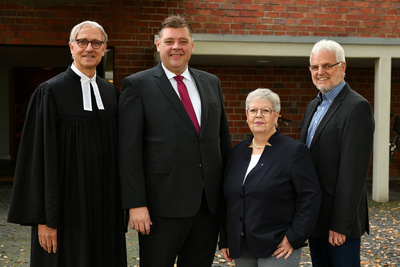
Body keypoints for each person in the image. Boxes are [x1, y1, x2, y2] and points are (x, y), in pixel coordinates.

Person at [7, 21, 127, 267]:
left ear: (104, 49)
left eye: (96, 43)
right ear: (71, 47)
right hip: (64, 213)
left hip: (105, 211)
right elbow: (37, 160)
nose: (89, 48)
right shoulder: (50, 92)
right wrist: (44, 219)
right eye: (82, 42)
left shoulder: (112, 94)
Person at [118, 15, 232, 267]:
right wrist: (136, 204)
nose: (176, 47)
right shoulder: (137, 85)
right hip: (161, 208)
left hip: (207, 207)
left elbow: (221, 143)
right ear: (158, 44)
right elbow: (129, 151)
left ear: (192, 45)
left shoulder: (212, 83)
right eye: (169, 41)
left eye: (183, 41)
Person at [219, 88, 321, 266]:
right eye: (253, 110)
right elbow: (228, 200)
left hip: (278, 244)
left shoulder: (294, 151)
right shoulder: (236, 153)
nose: (258, 115)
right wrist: (225, 238)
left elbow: (310, 197)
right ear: (246, 115)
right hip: (241, 245)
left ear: (277, 115)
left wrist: (294, 236)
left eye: (265, 111)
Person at [300, 39, 375, 266]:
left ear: (342, 67)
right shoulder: (313, 106)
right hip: (316, 218)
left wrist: (340, 224)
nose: (320, 72)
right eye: (315, 67)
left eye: (327, 66)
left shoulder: (357, 107)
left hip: (339, 223)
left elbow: (353, 173)